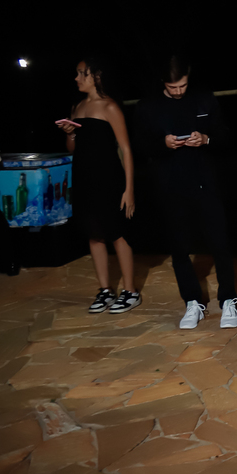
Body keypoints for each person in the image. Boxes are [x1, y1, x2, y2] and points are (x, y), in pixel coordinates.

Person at [133, 55, 237, 329]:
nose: (179, 91)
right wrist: (163, 144)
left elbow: (225, 135)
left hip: (206, 182)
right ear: (163, 83)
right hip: (170, 185)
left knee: (220, 242)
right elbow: (141, 145)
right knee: (179, 247)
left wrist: (206, 138)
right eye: (173, 87)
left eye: (183, 85)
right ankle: (192, 302)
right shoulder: (148, 106)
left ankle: (228, 299)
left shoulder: (204, 99)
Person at [58, 57, 139, 314]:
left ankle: (130, 291)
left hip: (109, 179)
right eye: (77, 73)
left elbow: (126, 149)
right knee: (94, 233)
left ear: (97, 76)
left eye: (82, 73)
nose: (77, 78)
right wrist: (70, 133)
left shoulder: (110, 107)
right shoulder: (77, 106)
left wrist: (129, 189)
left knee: (117, 233)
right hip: (84, 179)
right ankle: (105, 290)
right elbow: (72, 148)